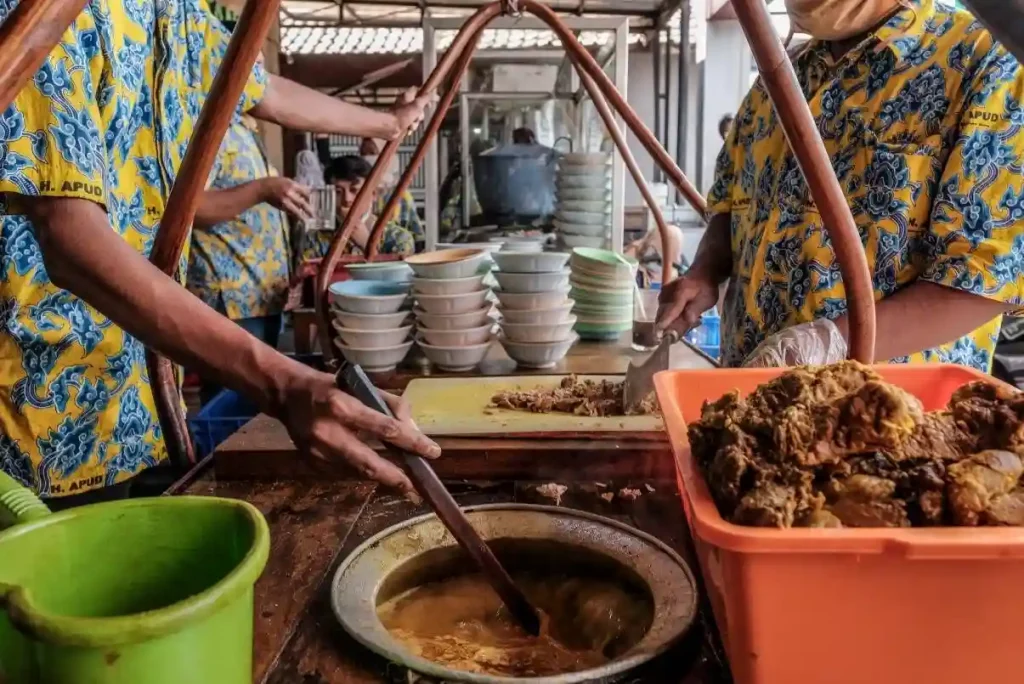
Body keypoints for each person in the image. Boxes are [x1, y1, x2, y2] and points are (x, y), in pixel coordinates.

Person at [0, 0, 437, 509]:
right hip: (41, 391)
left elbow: (266, 89)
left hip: (134, 381)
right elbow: (69, 237)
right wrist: (283, 385)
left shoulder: (178, 13)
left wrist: (388, 125)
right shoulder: (51, 10)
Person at [657, 0, 1024, 372]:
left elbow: (991, 276)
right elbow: (730, 201)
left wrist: (832, 341)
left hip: (888, 400)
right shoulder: (782, 71)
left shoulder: (985, 64)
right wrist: (704, 272)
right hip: (748, 386)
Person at [188, 115, 311, 403]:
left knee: (255, 400)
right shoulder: (211, 127)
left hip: (261, 296)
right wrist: (261, 189)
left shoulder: (244, 128)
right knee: (229, 403)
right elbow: (191, 206)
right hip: (231, 298)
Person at [301, 155, 416, 261]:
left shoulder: (399, 238)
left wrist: (366, 244)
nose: (347, 199)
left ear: (373, 194)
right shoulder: (315, 238)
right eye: (338, 192)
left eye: (354, 190)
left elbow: (398, 276)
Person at [361, 137, 425, 250]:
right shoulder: (356, 191)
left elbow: (417, 235)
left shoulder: (401, 195)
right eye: (363, 153)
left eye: (372, 153)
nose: (366, 158)